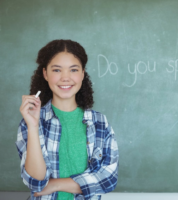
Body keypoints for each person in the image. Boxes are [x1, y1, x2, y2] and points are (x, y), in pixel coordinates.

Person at [15, 39, 119, 200]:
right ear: (45, 74)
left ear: (83, 73)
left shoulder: (99, 122)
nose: (65, 78)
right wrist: (33, 125)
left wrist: (54, 184)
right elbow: (36, 183)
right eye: (56, 70)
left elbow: (108, 179)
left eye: (73, 70)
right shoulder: (30, 121)